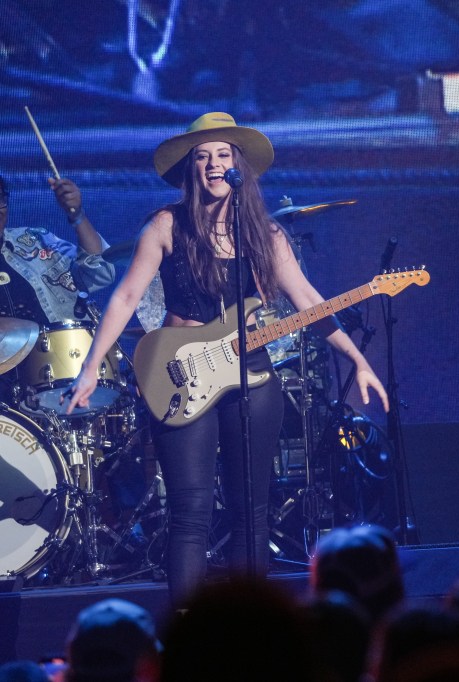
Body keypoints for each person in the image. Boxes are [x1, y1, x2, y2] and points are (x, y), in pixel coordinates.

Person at [64, 111, 389, 605]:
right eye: (203, 156)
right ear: (191, 168)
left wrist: (357, 360)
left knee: (251, 513)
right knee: (190, 512)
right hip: (181, 373)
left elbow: (309, 301)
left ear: (239, 166)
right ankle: (189, 630)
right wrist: (91, 367)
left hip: (251, 375)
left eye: (222, 155)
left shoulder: (266, 236)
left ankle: (247, 627)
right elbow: (126, 297)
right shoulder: (167, 224)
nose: (214, 164)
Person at [0, 173, 115, 405]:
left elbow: (102, 272)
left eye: (0, 199)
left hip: (70, 373)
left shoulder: (35, 240)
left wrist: (77, 215)